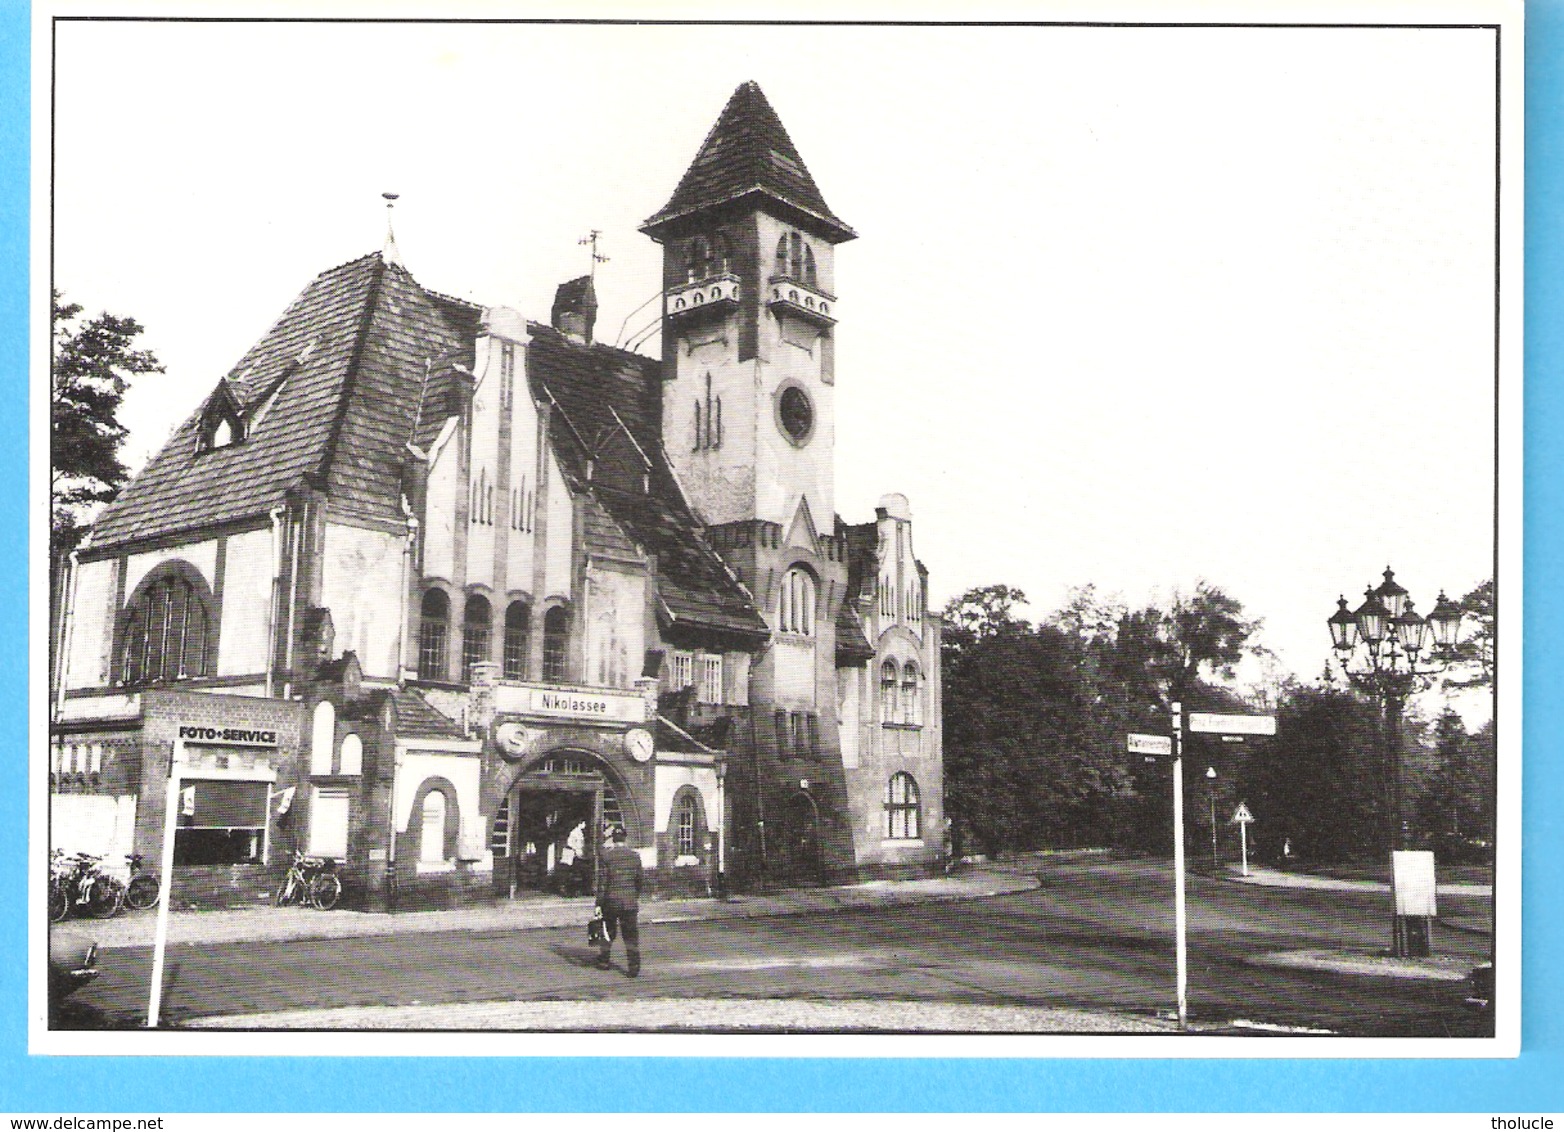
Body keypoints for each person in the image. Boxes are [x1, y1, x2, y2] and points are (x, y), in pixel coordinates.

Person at [595, 825, 643, 977]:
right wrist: (634, 896)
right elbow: (640, 880)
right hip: (629, 902)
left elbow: (602, 883)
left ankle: (604, 961)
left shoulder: (607, 856)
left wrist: (598, 903)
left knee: (608, 931)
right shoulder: (635, 856)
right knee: (631, 935)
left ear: (613, 839)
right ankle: (633, 967)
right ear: (625, 838)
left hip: (611, 900)